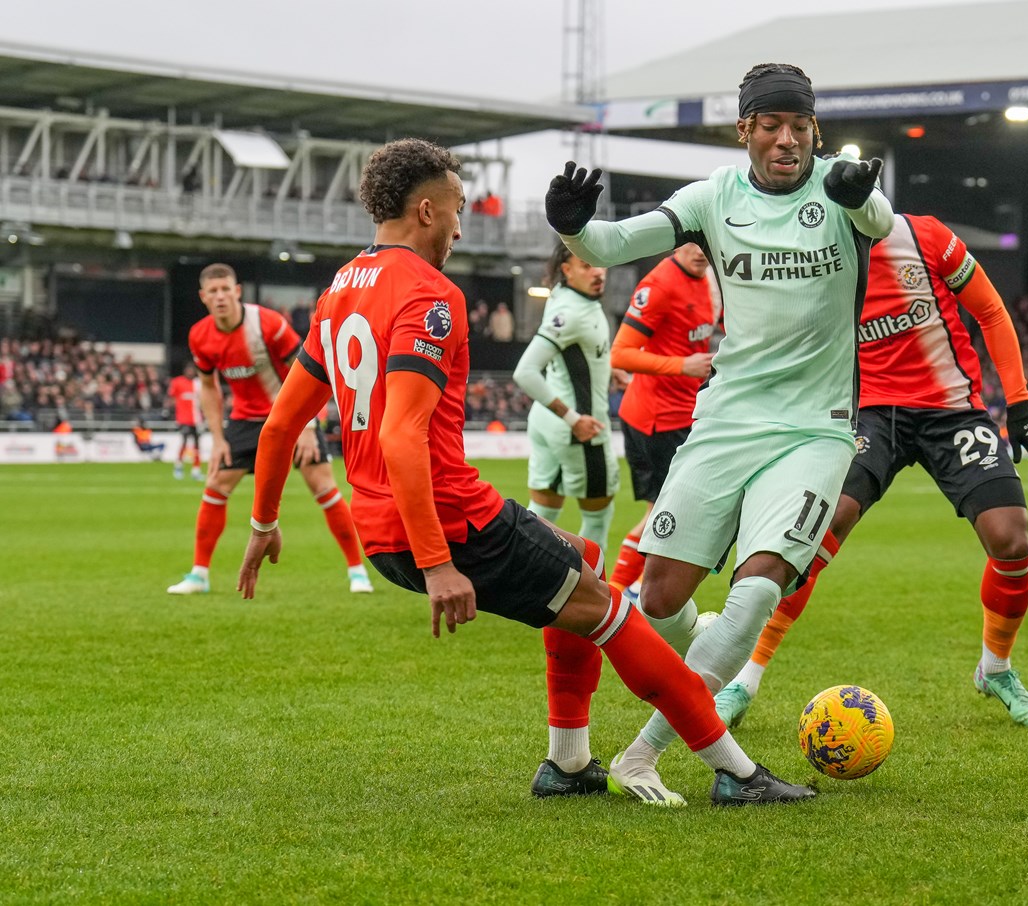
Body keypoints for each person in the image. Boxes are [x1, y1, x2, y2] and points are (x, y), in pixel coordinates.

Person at [236, 137, 812, 807]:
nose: (459, 225)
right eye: (455, 210)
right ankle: (736, 774)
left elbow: (280, 425)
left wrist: (263, 521)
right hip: (449, 524)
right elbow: (400, 435)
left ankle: (567, 763)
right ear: (424, 210)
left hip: (382, 529)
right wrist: (436, 563)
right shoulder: (430, 295)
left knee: (583, 556)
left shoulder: (340, 290)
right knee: (610, 612)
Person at [544, 62, 893, 801]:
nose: (786, 139)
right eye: (770, 125)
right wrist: (571, 222)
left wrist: (859, 195)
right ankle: (709, 683)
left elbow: (878, 221)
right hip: (726, 419)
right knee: (660, 599)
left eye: (798, 126)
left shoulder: (839, 186)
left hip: (815, 430)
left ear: (813, 131)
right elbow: (609, 245)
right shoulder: (711, 198)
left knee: (758, 590)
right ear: (745, 131)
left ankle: (652, 755)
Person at [714, 212, 1028, 728]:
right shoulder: (814, 255)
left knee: (1011, 539)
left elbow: (990, 311)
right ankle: (745, 677)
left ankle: (996, 667)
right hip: (867, 412)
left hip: (951, 410)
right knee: (818, 531)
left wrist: (1021, 404)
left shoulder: (926, 235)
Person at [166, 262, 373, 596]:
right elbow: (208, 387)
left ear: (236, 291)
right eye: (213, 292)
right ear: (204, 297)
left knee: (323, 486)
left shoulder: (269, 324)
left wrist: (307, 424)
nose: (220, 297)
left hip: (291, 416)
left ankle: (357, 571)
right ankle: (199, 575)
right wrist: (217, 439)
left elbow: (306, 370)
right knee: (216, 484)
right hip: (246, 420)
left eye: (225, 289)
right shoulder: (200, 336)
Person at [607, 242, 715, 591]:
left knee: (675, 509)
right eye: (691, 242)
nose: (700, 250)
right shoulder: (659, 286)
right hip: (654, 421)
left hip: (682, 416)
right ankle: (623, 592)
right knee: (669, 510)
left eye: (706, 242)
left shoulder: (706, 280)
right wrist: (681, 366)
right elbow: (620, 354)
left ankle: (625, 592)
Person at [511, 245, 618, 558]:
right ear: (567, 270)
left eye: (601, 263)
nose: (597, 272)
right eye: (586, 265)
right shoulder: (571, 313)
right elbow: (525, 372)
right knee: (598, 518)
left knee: (542, 514)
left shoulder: (562, 295)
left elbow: (579, 355)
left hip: (545, 423)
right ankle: (589, 596)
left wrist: (611, 371)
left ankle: (526, 584)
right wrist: (574, 419)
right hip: (581, 429)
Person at [167, 361, 203, 480]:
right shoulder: (177, 382)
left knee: (197, 445)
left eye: (192, 370)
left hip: (197, 419)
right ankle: (178, 466)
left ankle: (196, 470)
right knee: (184, 442)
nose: (190, 372)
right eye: (188, 370)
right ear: (185, 371)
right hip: (183, 419)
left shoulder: (198, 383)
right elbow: (172, 398)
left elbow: (203, 401)